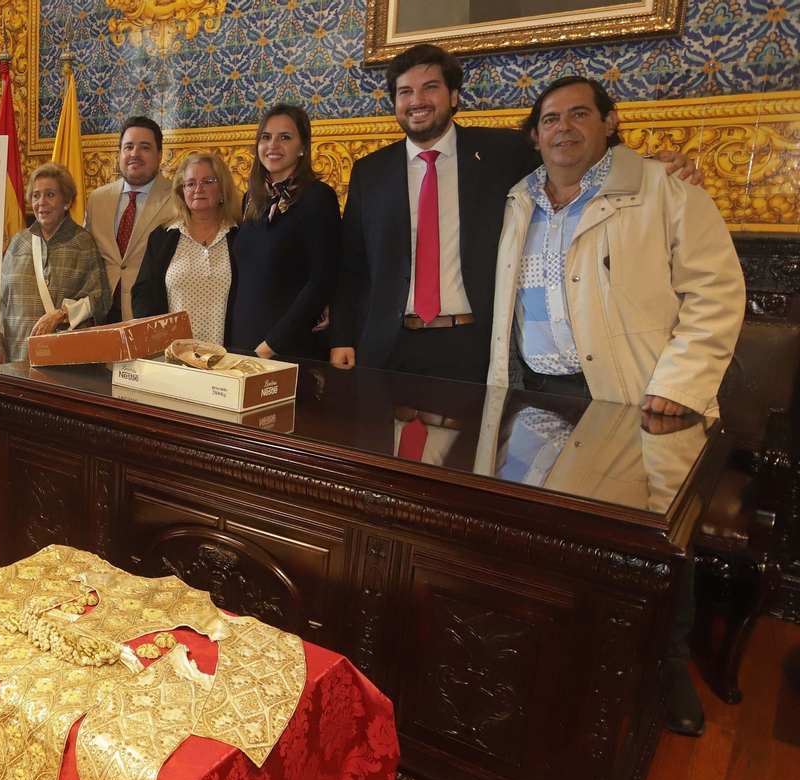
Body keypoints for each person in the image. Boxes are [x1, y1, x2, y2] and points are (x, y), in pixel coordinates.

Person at [487, 76, 746, 736]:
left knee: (655, 543)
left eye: (580, 114)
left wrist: (678, 383)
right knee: (555, 535)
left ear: (608, 122)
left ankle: (666, 665)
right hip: (536, 395)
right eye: (550, 118)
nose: (564, 127)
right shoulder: (520, 200)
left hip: (634, 396)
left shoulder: (662, 188)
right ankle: (576, 658)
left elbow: (716, 291)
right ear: (534, 134)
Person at [330, 44, 698, 383]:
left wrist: (653, 165)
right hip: (387, 345)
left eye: (430, 88)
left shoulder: (502, 150)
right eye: (405, 92)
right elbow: (351, 265)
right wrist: (342, 337)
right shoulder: (369, 171)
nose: (417, 101)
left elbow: (575, 157)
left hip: (473, 343)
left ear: (454, 96)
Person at [229, 104, 343, 359]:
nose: (273, 145)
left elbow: (321, 281)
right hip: (243, 343)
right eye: (266, 137)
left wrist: (271, 345)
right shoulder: (252, 199)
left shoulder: (318, 197)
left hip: (287, 347)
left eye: (285, 137)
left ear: (303, 147)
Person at [0, 162, 112, 365]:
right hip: (15, 354)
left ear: (66, 202)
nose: (42, 202)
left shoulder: (83, 243)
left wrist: (61, 314)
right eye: (36, 196)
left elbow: (100, 299)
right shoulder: (18, 242)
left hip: (65, 358)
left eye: (50, 195)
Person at [128, 151, 240, 346]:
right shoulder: (163, 236)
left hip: (229, 357)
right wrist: (157, 341)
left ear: (222, 189)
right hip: (174, 358)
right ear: (181, 192)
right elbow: (142, 293)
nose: (198, 189)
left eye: (208, 181)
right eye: (190, 183)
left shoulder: (240, 235)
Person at [85, 116, 179, 323]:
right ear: (119, 154)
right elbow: (87, 259)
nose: (135, 154)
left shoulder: (179, 198)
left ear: (160, 154)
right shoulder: (97, 199)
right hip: (99, 315)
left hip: (151, 314)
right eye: (128, 147)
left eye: (144, 147)